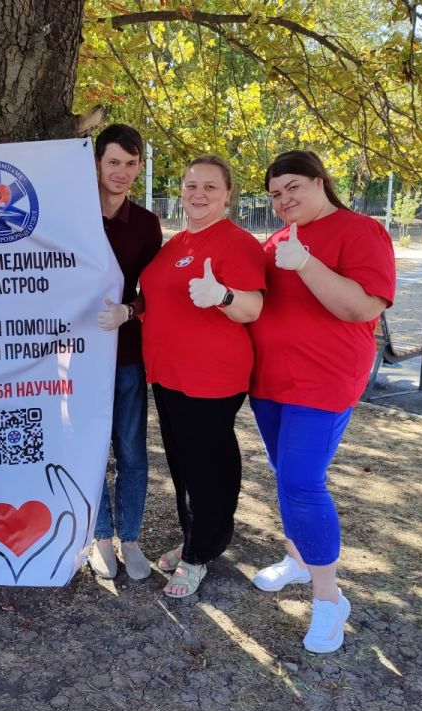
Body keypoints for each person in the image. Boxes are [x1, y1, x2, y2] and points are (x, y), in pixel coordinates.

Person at [248, 150, 396, 654]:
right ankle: (297, 558)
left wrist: (307, 263)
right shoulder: (274, 242)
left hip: (324, 382)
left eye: (293, 187)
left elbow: (361, 307)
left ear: (319, 181)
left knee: (302, 482)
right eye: (275, 194)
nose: (283, 200)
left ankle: (329, 599)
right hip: (270, 381)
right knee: (283, 473)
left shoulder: (360, 231)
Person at [135, 155, 265, 597]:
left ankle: (200, 553)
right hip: (168, 374)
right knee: (182, 466)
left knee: (207, 470)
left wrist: (223, 295)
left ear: (228, 194)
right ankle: (194, 537)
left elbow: (252, 307)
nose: (198, 194)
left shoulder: (236, 243)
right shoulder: (177, 242)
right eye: (191, 185)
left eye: (210, 187)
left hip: (210, 378)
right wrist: (131, 311)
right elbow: (158, 297)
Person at [92, 124, 163, 580]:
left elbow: (155, 290)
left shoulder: (146, 224)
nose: (121, 171)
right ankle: (100, 537)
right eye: (113, 161)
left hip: (125, 356)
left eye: (131, 163)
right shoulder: (71, 214)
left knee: (132, 450)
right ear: (97, 162)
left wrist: (130, 310)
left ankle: (130, 538)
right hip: (74, 357)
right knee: (90, 450)